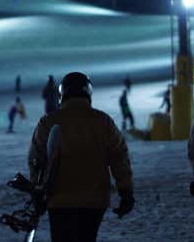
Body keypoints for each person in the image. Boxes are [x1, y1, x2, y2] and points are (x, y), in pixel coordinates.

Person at [28, 72, 135, 242]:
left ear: (62, 94)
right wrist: (125, 191)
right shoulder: (103, 121)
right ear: (88, 92)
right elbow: (119, 157)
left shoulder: (48, 122)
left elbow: (36, 159)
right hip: (94, 199)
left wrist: (36, 190)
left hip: (58, 198)